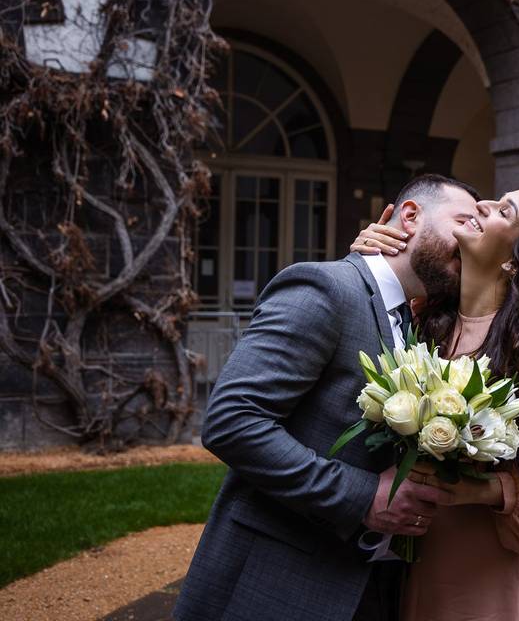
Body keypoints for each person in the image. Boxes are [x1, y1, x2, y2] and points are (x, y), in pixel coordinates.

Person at [174, 175, 479, 621]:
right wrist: (363, 498)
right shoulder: (327, 288)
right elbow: (232, 421)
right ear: (410, 217)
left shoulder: (416, 322)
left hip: (368, 584)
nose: (473, 240)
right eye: (465, 222)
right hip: (280, 578)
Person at [354, 184, 519, 620]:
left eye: (503, 210)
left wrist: (482, 490)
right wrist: (367, 261)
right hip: (423, 564)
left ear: (516, 261)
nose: (482, 205)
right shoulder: (422, 319)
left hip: (497, 575)